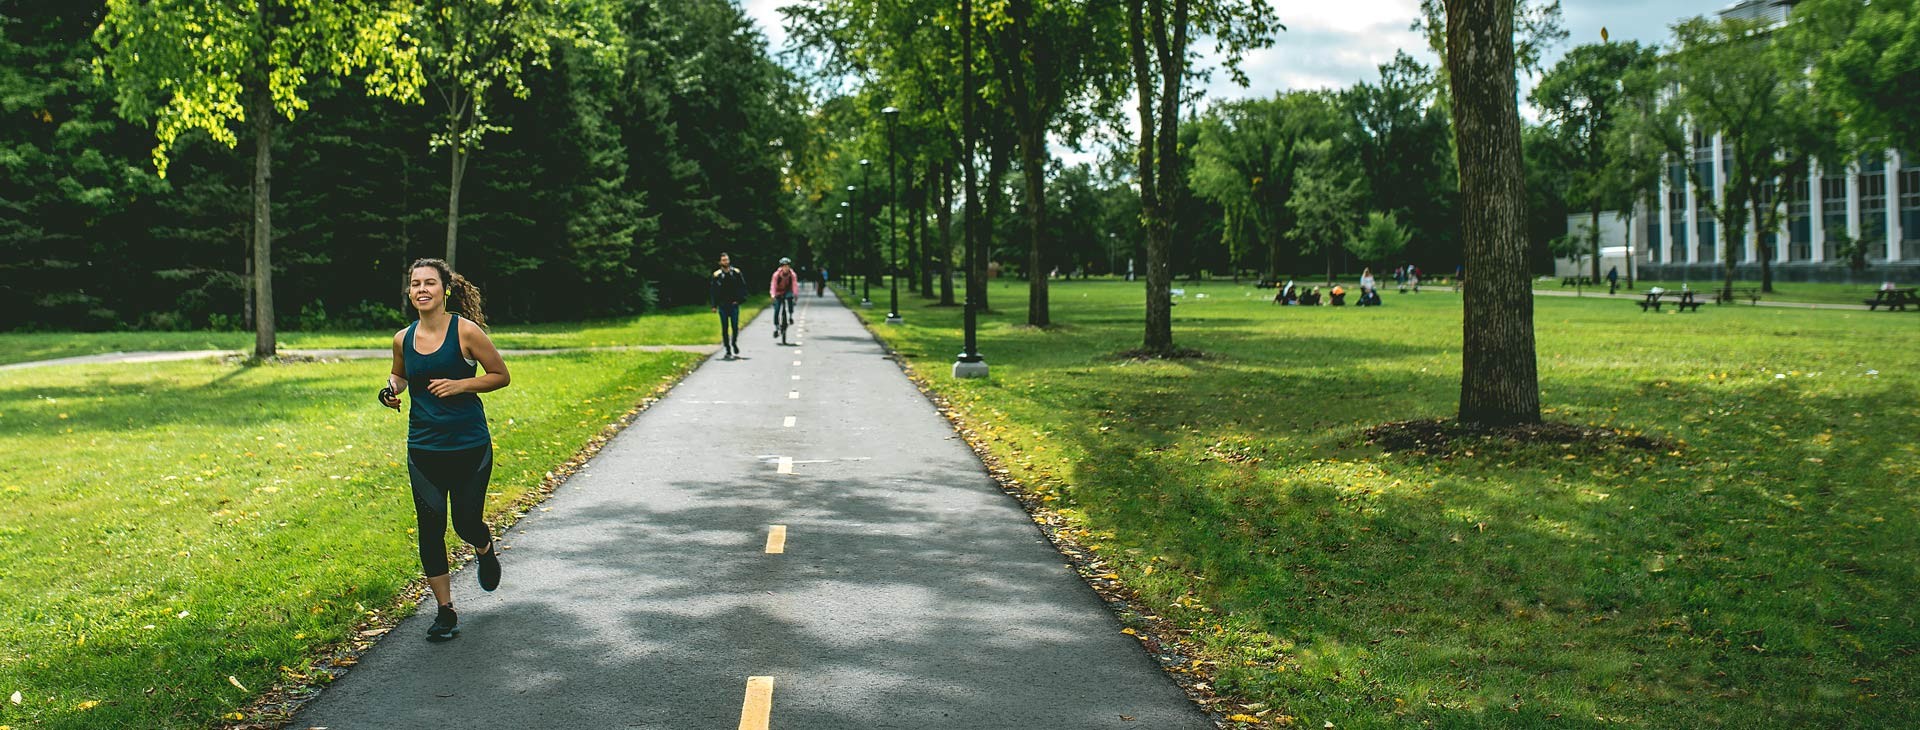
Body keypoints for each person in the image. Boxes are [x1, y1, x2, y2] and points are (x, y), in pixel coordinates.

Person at [379, 258, 511, 642]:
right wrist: (389, 390)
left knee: (466, 524)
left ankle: (484, 548)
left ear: (445, 289)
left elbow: (500, 375)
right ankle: (445, 610)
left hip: (469, 447)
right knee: (430, 528)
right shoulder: (403, 338)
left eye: (429, 283)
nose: (421, 289)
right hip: (424, 449)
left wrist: (461, 385)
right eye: (415, 284)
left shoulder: (466, 332)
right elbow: (401, 374)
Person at [709, 253, 747, 359]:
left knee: (735, 327)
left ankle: (734, 342)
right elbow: (713, 291)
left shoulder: (736, 273)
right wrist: (714, 305)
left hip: (734, 304)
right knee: (724, 328)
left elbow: (742, 287)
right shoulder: (716, 275)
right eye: (723, 260)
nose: (726, 262)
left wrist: (740, 300)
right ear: (720, 262)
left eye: (727, 260)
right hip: (722, 305)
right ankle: (727, 349)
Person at [769, 257, 799, 343]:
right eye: (784, 266)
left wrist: (795, 294)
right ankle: (777, 326)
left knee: (790, 300)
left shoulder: (792, 274)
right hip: (778, 292)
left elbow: (794, 285)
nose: (786, 268)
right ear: (781, 267)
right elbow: (773, 285)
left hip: (787, 291)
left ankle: (790, 316)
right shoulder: (776, 275)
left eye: (787, 266)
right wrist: (773, 295)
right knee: (777, 309)